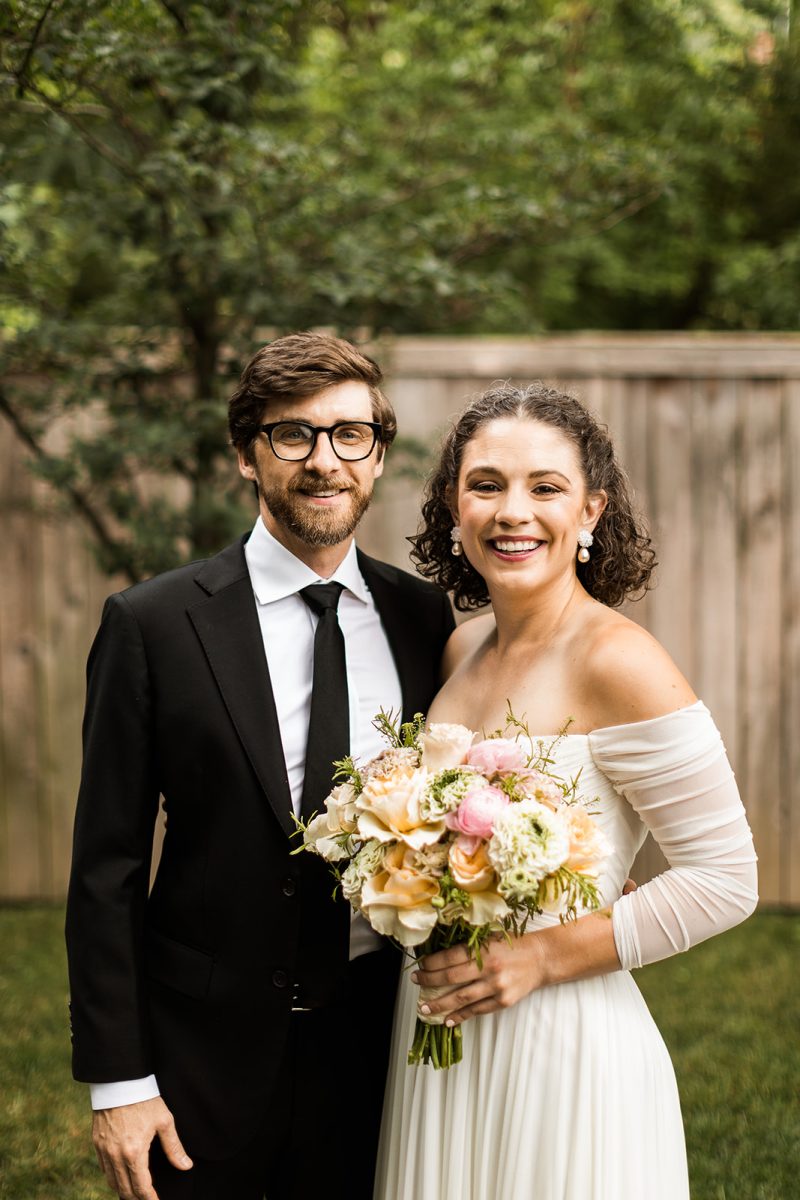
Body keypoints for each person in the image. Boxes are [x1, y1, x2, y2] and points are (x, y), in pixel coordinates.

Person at [65, 332, 455, 1200]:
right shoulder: (155, 624)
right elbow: (107, 870)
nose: (325, 461)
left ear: (379, 454)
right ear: (247, 453)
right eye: (294, 436)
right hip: (204, 1052)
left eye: (350, 435)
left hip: (382, 1047)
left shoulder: (426, 620)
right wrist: (120, 1084)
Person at [375, 381, 759, 1200]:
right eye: (487, 485)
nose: (514, 511)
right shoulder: (461, 650)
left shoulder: (619, 661)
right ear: (454, 506)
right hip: (444, 1040)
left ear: (591, 511)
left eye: (545, 488)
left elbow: (726, 880)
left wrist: (540, 956)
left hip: (562, 1040)